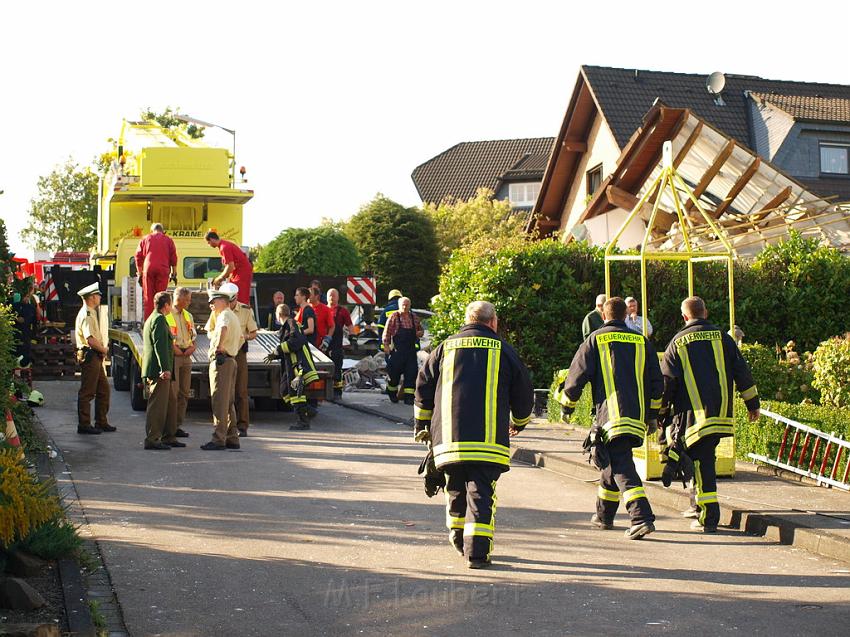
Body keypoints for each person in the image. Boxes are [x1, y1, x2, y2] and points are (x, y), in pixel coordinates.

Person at [414, 301, 533, 569]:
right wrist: (519, 422)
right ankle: (477, 553)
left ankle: (458, 536)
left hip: (449, 441)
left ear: (468, 319)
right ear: (493, 322)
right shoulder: (505, 350)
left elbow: (423, 386)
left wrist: (422, 426)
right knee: (480, 494)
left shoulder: (445, 347)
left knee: (455, 487)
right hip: (487, 443)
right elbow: (524, 391)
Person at [557, 297, 662, 540]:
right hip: (636, 416)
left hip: (610, 417)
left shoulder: (595, 339)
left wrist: (567, 407)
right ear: (626, 316)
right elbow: (657, 383)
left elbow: (576, 376)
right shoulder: (642, 341)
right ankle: (604, 516)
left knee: (622, 467)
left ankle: (641, 517)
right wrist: (653, 416)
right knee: (610, 464)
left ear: (603, 316)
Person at [659, 296, 760, 533]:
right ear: (705, 313)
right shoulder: (723, 338)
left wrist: (660, 412)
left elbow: (667, 383)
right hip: (720, 412)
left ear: (684, 317)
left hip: (692, 416)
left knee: (702, 462)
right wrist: (752, 403)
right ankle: (697, 505)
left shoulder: (677, 342)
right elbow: (741, 371)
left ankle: (708, 517)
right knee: (697, 458)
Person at [264, 303, 321, 430]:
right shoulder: (287, 326)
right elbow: (289, 348)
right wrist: (276, 355)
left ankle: (303, 421)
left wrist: (278, 349)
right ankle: (309, 411)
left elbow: (296, 341)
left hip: (298, 366)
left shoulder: (291, 323)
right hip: (292, 365)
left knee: (296, 392)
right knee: (285, 390)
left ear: (278, 315)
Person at [201, 288, 243, 450]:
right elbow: (239, 338)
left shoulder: (224, 316)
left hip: (222, 361)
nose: (211, 304)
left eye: (213, 301)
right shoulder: (232, 315)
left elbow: (223, 329)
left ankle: (218, 439)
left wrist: (219, 347)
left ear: (223, 301)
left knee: (219, 401)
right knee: (228, 402)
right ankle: (232, 437)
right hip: (230, 360)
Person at [142, 292, 182, 450]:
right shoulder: (158, 319)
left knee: (170, 403)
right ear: (166, 305)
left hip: (161, 370)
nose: (171, 307)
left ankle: (169, 436)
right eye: (170, 304)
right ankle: (153, 438)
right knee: (158, 405)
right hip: (158, 371)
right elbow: (160, 346)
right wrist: (164, 368)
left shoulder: (155, 318)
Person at [74, 282, 114, 435]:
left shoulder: (90, 312)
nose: (99, 298)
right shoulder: (88, 314)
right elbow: (90, 339)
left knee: (103, 390)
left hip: (95, 356)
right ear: (91, 297)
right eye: (98, 295)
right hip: (90, 356)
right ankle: (84, 424)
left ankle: (101, 421)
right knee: (88, 392)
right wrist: (104, 349)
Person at [165, 287, 196, 439]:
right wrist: (174, 349)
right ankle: (169, 426)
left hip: (186, 356)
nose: (190, 302)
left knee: (184, 393)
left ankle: (177, 425)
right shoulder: (167, 314)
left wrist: (193, 347)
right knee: (173, 393)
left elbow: (193, 335)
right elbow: (166, 337)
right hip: (174, 356)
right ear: (180, 298)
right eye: (188, 299)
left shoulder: (188, 315)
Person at [383, 296, 423, 405]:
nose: (405, 307)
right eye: (403, 305)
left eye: (407, 305)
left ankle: (409, 397)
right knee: (394, 375)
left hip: (410, 352)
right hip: (397, 351)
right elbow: (387, 332)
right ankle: (392, 393)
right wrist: (386, 345)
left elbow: (420, 329)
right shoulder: (394, 317)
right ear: (399, 305)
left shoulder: (414, 317)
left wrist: (420, 333)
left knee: (411, 374)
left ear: (410, 306)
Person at [135, 223, 177, 319]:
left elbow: (138, 257)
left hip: (148, 269)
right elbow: (173, 257)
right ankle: (160, 320)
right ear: (163, 231)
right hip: (163, 269)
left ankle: (149, 322)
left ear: (152, 230)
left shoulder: (145, 239)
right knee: (161, 297)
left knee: (149, 298)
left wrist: (140, 273)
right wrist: (174, 273)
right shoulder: (168, 240)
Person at [205, 231, 253, 306]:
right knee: (237, 296)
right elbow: (230, 267)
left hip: (241, 273)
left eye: (208, 242)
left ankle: (242, 315)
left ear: (212, 239)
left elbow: (230, 266)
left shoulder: (224, 247)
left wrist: (219, 278)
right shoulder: (225, 245)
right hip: (239, 272)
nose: (209, 245)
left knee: (239, 299)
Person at [327, 288, 352, 399]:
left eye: (334, 295)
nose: (332, 297)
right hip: (324, 344)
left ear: (338, 297)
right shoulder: (323, 309)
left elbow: (350, 327)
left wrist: (352, 339)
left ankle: (337, 392)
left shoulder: (343, 311)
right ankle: (325, 391)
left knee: (337, 368)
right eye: (330, 295)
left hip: (337, 344)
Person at [12, 283, 37, 367]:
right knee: (16, 351)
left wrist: (34, 336)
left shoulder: (31, 308)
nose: (26, 299)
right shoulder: (15, 306)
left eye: (27, 297)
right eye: (25, 297)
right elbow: (11, 316)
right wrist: (16, 319)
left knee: (26, 352)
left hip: (26, 334)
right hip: (16, 333)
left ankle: (25, 368)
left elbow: (34, 322)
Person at [309, 286, 335, 350]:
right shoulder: (305, 308)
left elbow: (332, 326)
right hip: (307, 344)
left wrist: (327, 340)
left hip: (319, 345)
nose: (308, 296)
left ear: (316, 296)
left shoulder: (325, 309)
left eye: (310, 295)